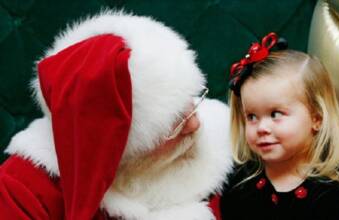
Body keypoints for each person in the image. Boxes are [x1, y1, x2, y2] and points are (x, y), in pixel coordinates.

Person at [0, 11, 233, 220]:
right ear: (113, 148)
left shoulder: (223, 136)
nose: (195, 124)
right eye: (175, 125)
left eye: (191, 103)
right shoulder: (23, 187)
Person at [218, 32, 339, 220]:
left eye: (275, 114)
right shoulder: (239, 182)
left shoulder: (328, 195)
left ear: (316, 118)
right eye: (252, 116)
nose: (262, 127)